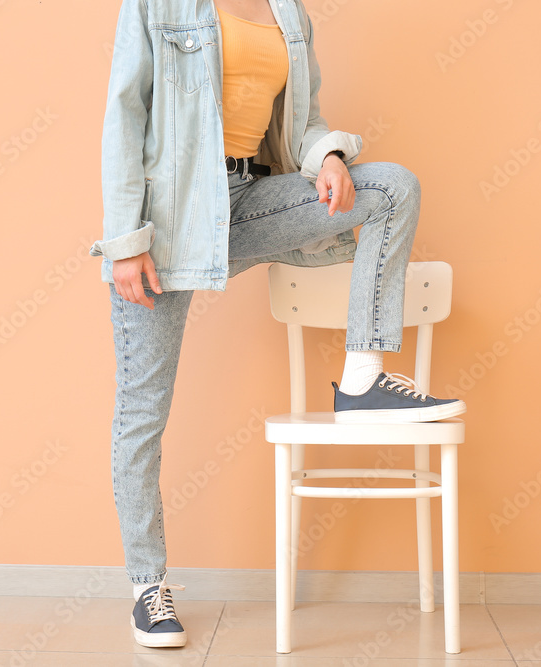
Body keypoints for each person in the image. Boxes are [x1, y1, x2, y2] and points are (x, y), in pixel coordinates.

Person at [89, 0, 466, 649]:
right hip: (172, 221)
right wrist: (126, 240)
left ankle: (362, 380)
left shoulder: (287, 13)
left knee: (393, 188)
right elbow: (125, 112)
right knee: (142, 412)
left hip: (250, 200)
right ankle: (148, 584)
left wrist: (328, 158)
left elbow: (307, 118)